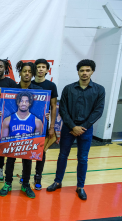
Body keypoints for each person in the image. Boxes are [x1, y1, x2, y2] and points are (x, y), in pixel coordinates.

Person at [47, 59, 105, 200]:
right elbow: (64, 109)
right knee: (62, 155)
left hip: (86, 129)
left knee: (83, 158)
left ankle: (80, 186)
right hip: (68, 128)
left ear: (92, 71)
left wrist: (82, 127)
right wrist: (73, 126)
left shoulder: (99, 89)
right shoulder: (68, 88)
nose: (84, 73)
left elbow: (98, 111)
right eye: (82, 70)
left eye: (87, 70)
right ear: (78, 72)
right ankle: (58, 181)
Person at [0, 61, 46, 199]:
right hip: (13, 141)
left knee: (28, 161)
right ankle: (7, 183)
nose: (27, 74)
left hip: (29, 140)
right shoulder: (13, 88)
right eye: (24, 71)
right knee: (10, 161)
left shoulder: (38, 92)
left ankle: (25, 184)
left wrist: (45, 115)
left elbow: (37, 143)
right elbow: (4, 142)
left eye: (29, 72)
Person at [31, 58, 58, 190]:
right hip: (28, 124)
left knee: (41, 151)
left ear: (47, 70)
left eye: (43, 67)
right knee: (27, 149)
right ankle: (25, 175)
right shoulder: (28, 84)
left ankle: (38, 176)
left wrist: (52, 126)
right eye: (38, 66)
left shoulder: (51, 86)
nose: (41, 69)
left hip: (43, 124)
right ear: (34, 69)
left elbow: (53, 107)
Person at [0, 58, 17, 182]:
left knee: (3, 145)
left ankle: (0, 168)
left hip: (5, 120)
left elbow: (16, 103)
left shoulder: (11, 83)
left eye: (1, 66)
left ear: (5, 68)